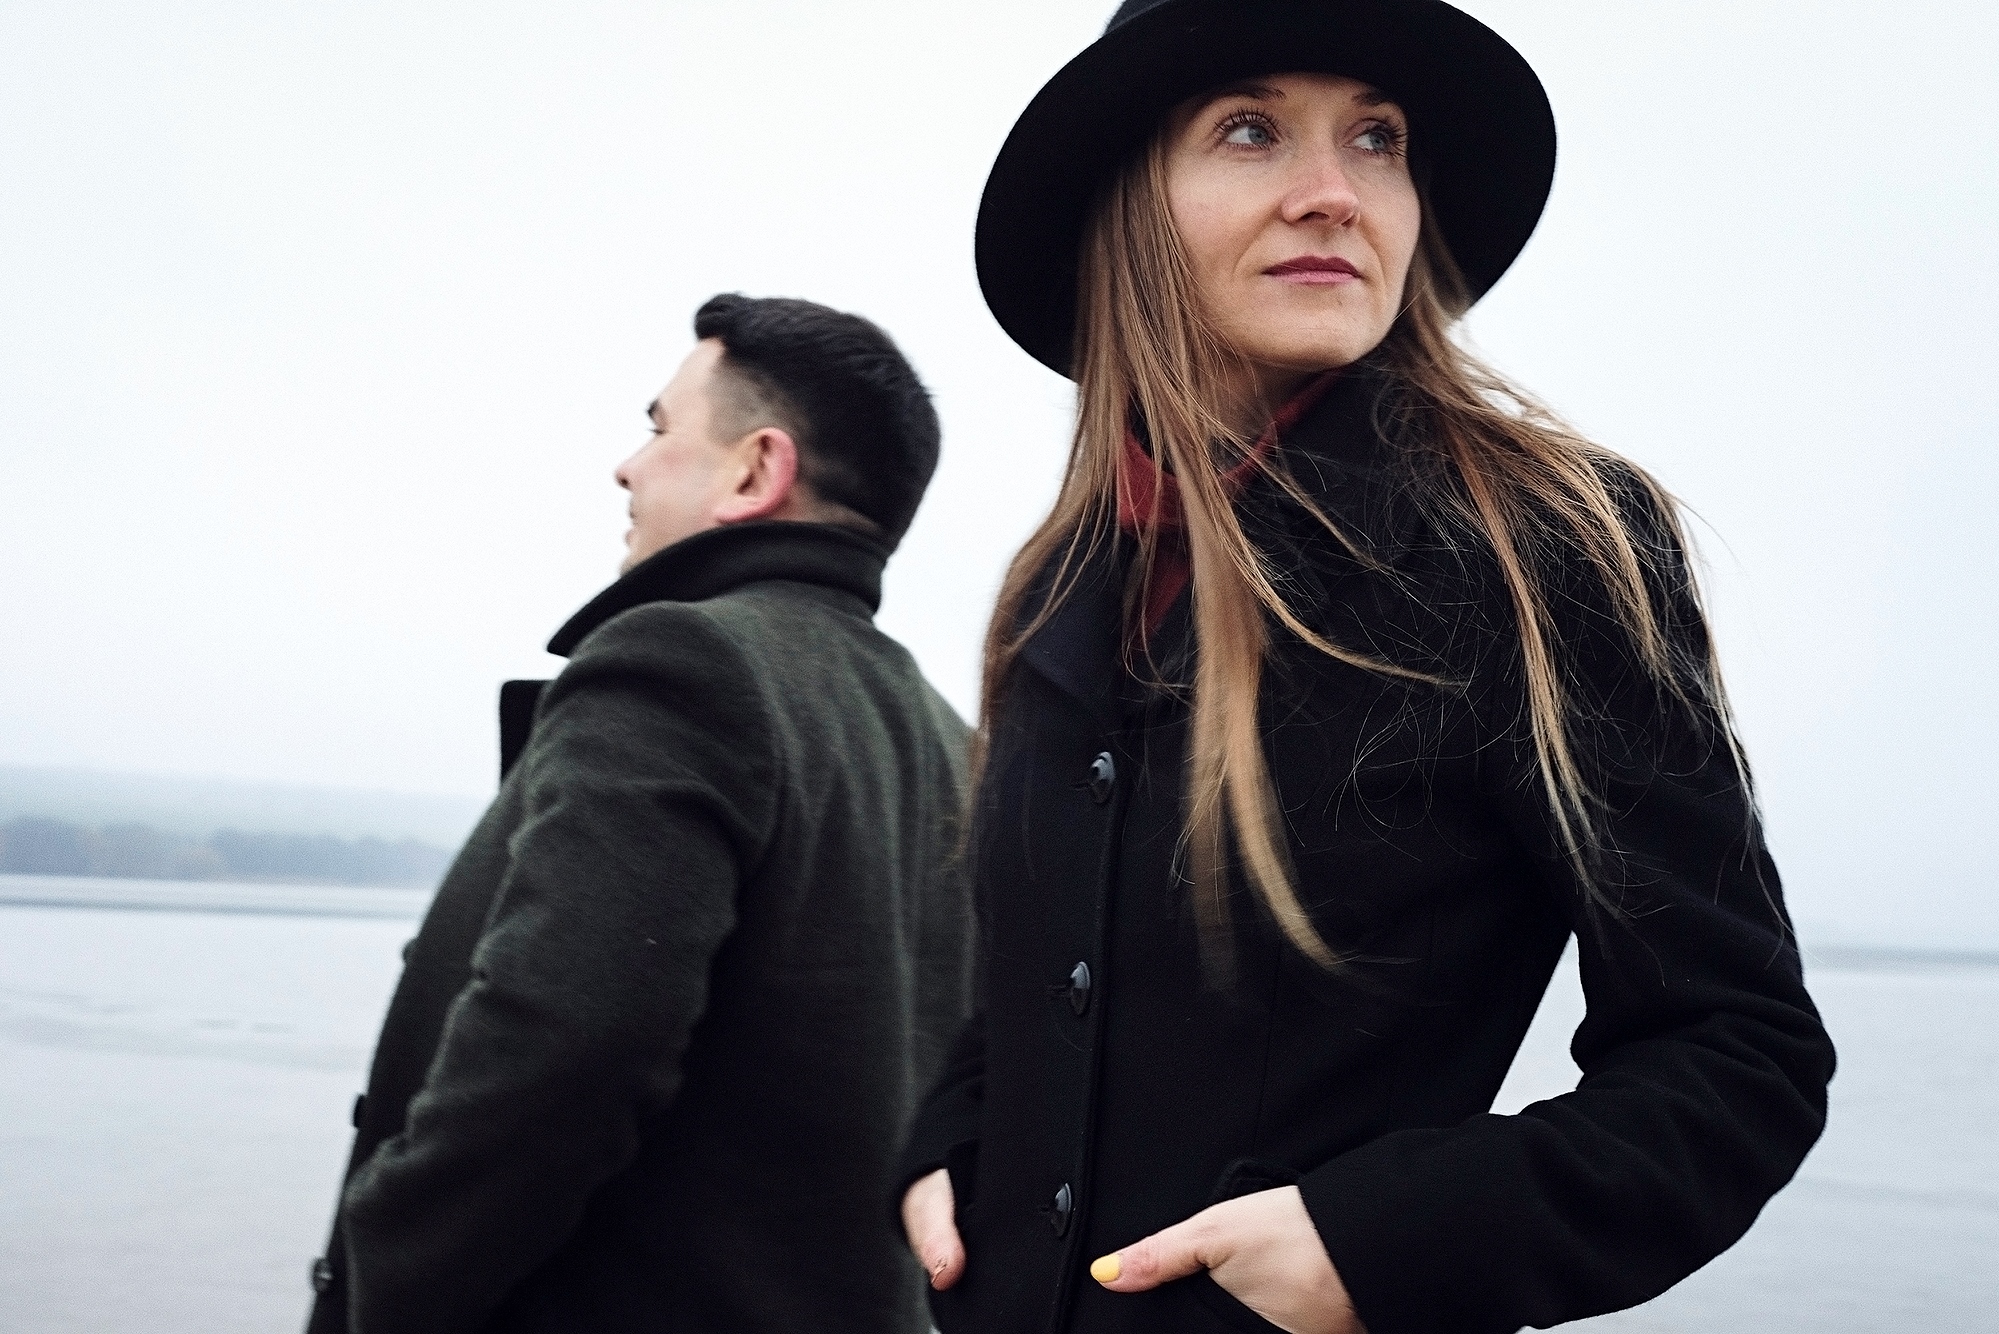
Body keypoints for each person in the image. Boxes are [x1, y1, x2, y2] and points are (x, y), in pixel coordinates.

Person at [897, 3, 1836, 1333]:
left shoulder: (1532, 545)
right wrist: (949, 1136)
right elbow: (1042, 977)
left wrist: (1376, 1242)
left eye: (1376, 139)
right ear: (1128, 206)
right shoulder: (1052, 584)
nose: (1332, 193)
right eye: (1249, 130)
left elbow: (1735, 1058)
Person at [307, 294, 973, 1334]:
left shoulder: (676, 661)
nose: (628, 465)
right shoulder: (948, 738)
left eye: (661, 426)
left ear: (757, 470)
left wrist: (382, 1278)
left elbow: (562, 1048)